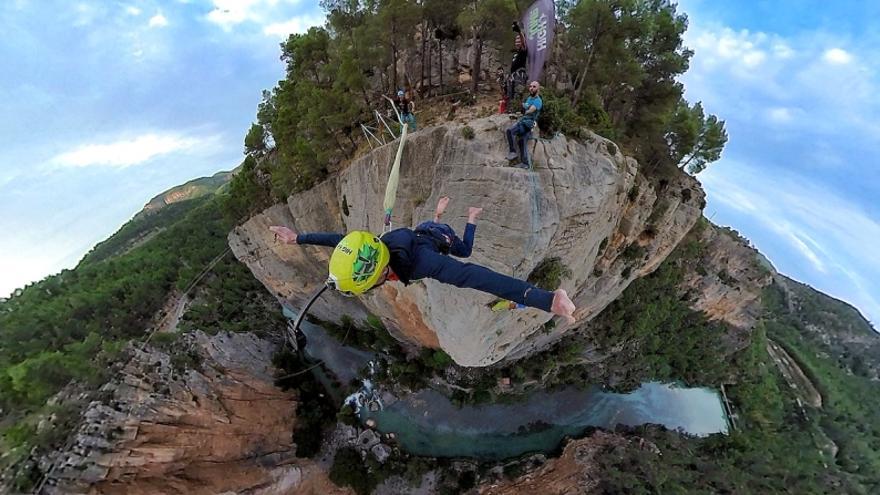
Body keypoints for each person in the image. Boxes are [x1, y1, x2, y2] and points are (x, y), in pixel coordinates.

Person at [269, 196, 576, 322]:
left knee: (465, 251)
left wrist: (545, 300)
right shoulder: (376, 244)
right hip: (423, 231)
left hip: (440, 237)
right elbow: (339, 241)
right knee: (430, 229)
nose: (377, 286)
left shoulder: (425, 265)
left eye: (374, 282)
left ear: (381, 272)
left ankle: (468, 217)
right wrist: (296, 237)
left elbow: (477, 277)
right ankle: (439, 214)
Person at [505, 81, 542, 169]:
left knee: (510, 131)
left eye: (534, 86)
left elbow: (530, 110)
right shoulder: (529, 98)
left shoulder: (538, 101)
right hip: (526, 124)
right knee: (521, 141)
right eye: (530, 86)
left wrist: (526, 106)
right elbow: (526, 107)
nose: (531, 88)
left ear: (538, 89)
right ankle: (525, 163)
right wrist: (526, 106)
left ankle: (513, 152)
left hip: (527, 124)